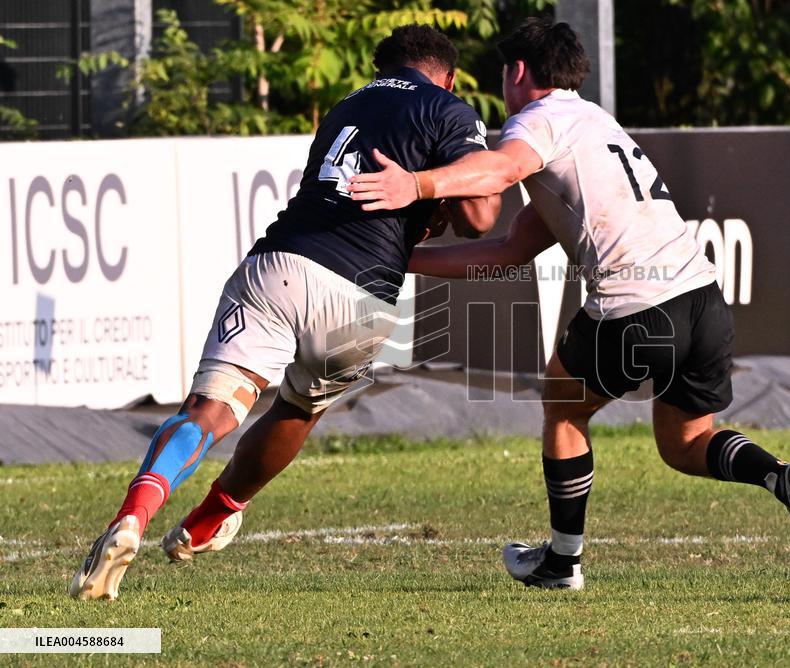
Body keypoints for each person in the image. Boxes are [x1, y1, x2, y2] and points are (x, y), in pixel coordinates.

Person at [348, 18, 790, 589]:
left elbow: (501, 170)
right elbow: (510, 250)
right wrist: (406, 261)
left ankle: (563, 562)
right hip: (702, 299)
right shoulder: (594, 123)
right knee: (685, 443)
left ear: (518, 72)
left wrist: (415, 185)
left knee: (562, 407)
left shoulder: (538, 120)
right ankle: (784, 478)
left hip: (638, 305)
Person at [69, 24, 500, 601]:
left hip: (281, 265)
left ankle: (133, 516)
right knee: (297, 409)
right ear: (446, 75)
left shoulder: (347, 105)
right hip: (362, 300)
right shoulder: (448, 107)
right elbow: (481, 217)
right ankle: (207, 521)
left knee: (210, 409)